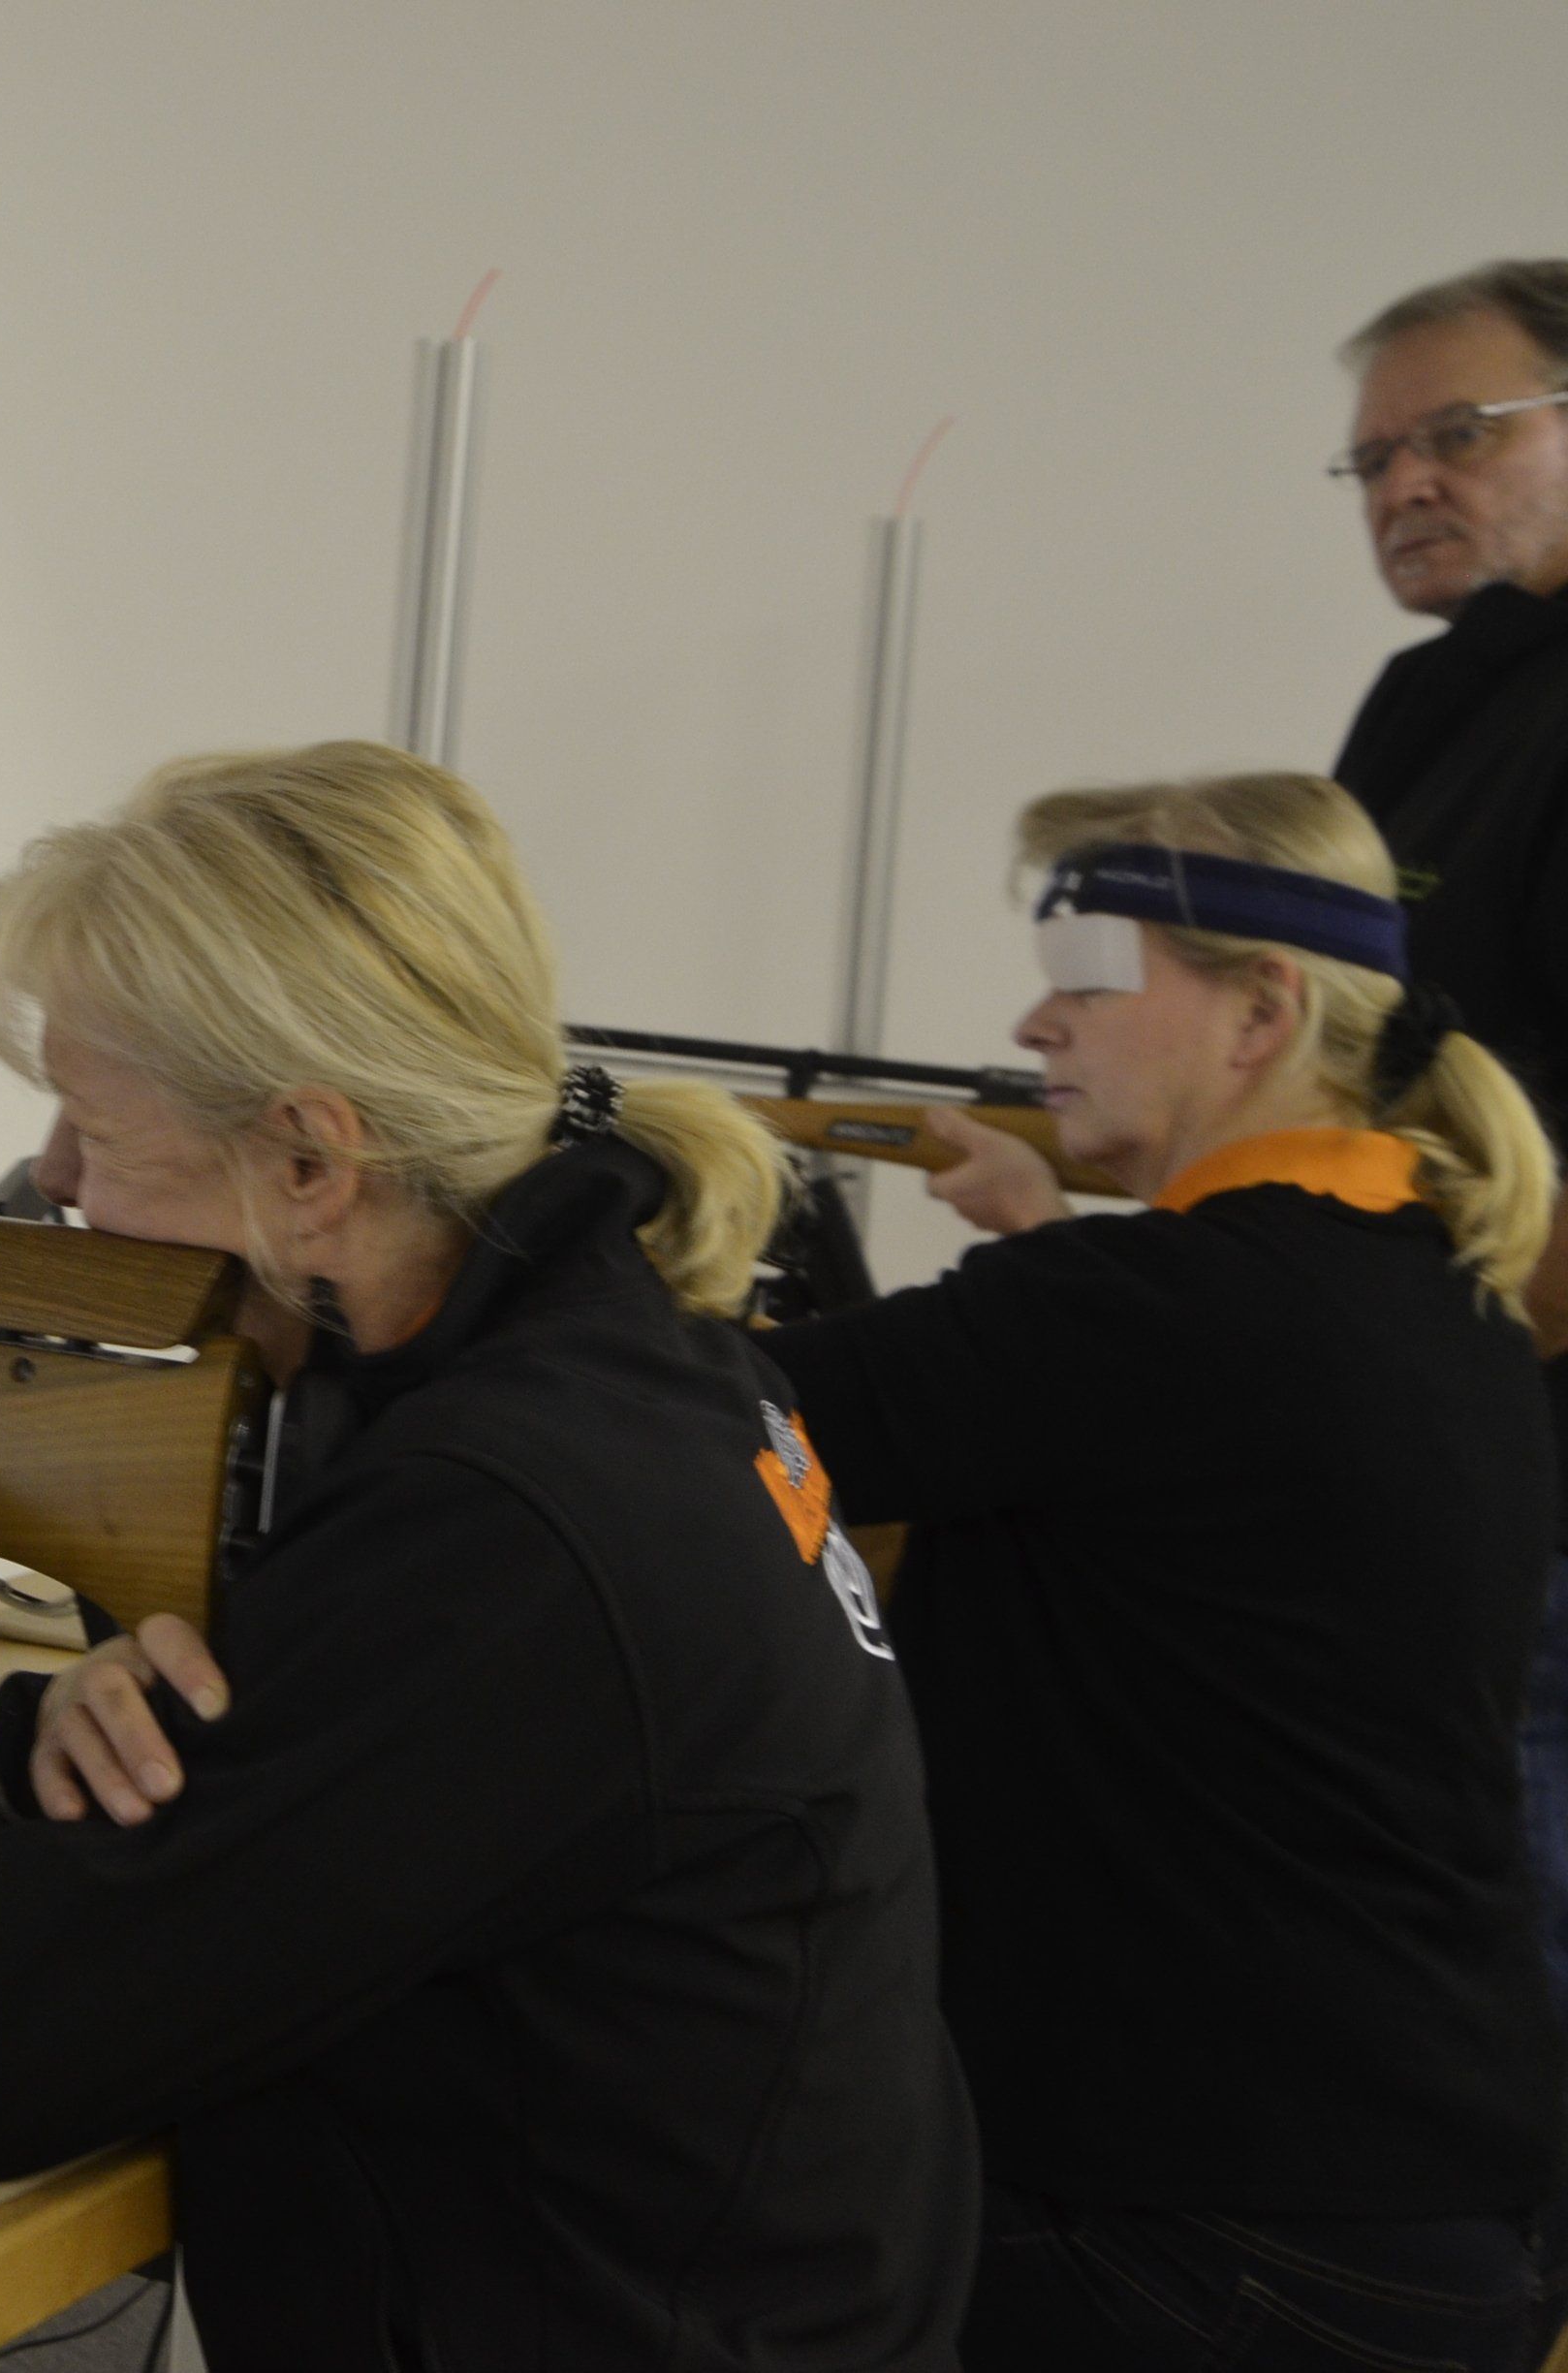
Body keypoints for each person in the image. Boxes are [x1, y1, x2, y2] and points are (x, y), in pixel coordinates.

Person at [0, 743, 977, 2371]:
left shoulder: (504, 1527)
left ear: (312, 1169)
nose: (57, 1179)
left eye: (93, 1126)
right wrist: (79, 1731)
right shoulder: (628, 1385)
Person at [773, 775, 1562, 2367]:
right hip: (1414, 2203)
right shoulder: (1438, 1289)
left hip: (1198, 2231)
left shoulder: (1155, 1308)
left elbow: (683, 1424)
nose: (1036, 1022)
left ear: (1262, 1010)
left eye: (1087, 979)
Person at [1327, 260, 1568, 2048]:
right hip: (1424, 1432)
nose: (1407, 483)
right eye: (1374, 459)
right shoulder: (1427, 705)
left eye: (1461, 435)